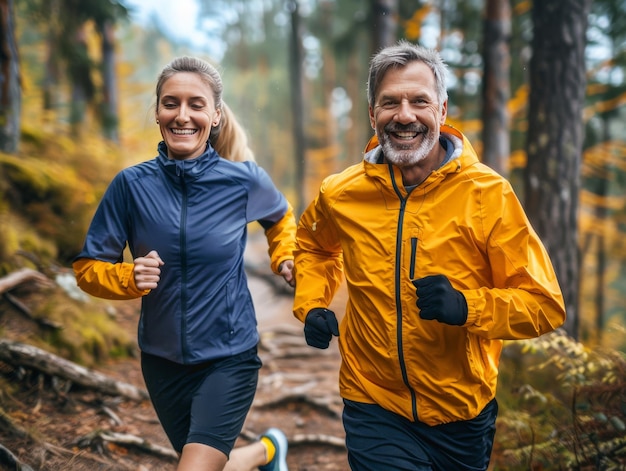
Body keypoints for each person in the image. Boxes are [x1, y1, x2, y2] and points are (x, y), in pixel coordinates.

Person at [292, 40, 566, 471]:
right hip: (372, 401)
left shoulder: (488, 195)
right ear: (372, 114)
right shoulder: (340, 193)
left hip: (463, 413)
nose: (404, 115)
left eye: (419, 101)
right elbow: (312, 245)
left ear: (441, 111)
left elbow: (545, 305)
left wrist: (466, 306)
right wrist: (311, 304)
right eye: (390, 103)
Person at [73, 56, 293, 471]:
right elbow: (88, 268)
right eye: (170, 103)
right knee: (205, 462)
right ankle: (268, 452)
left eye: (196, 104)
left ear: (215, 115)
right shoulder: (130, 186)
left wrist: (285, 256)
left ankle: (267, 451)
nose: (182, 115)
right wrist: (127, 276)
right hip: (161, 363)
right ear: (157, 112)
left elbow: (281, 217)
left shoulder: (242, 180)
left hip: (229, 357)